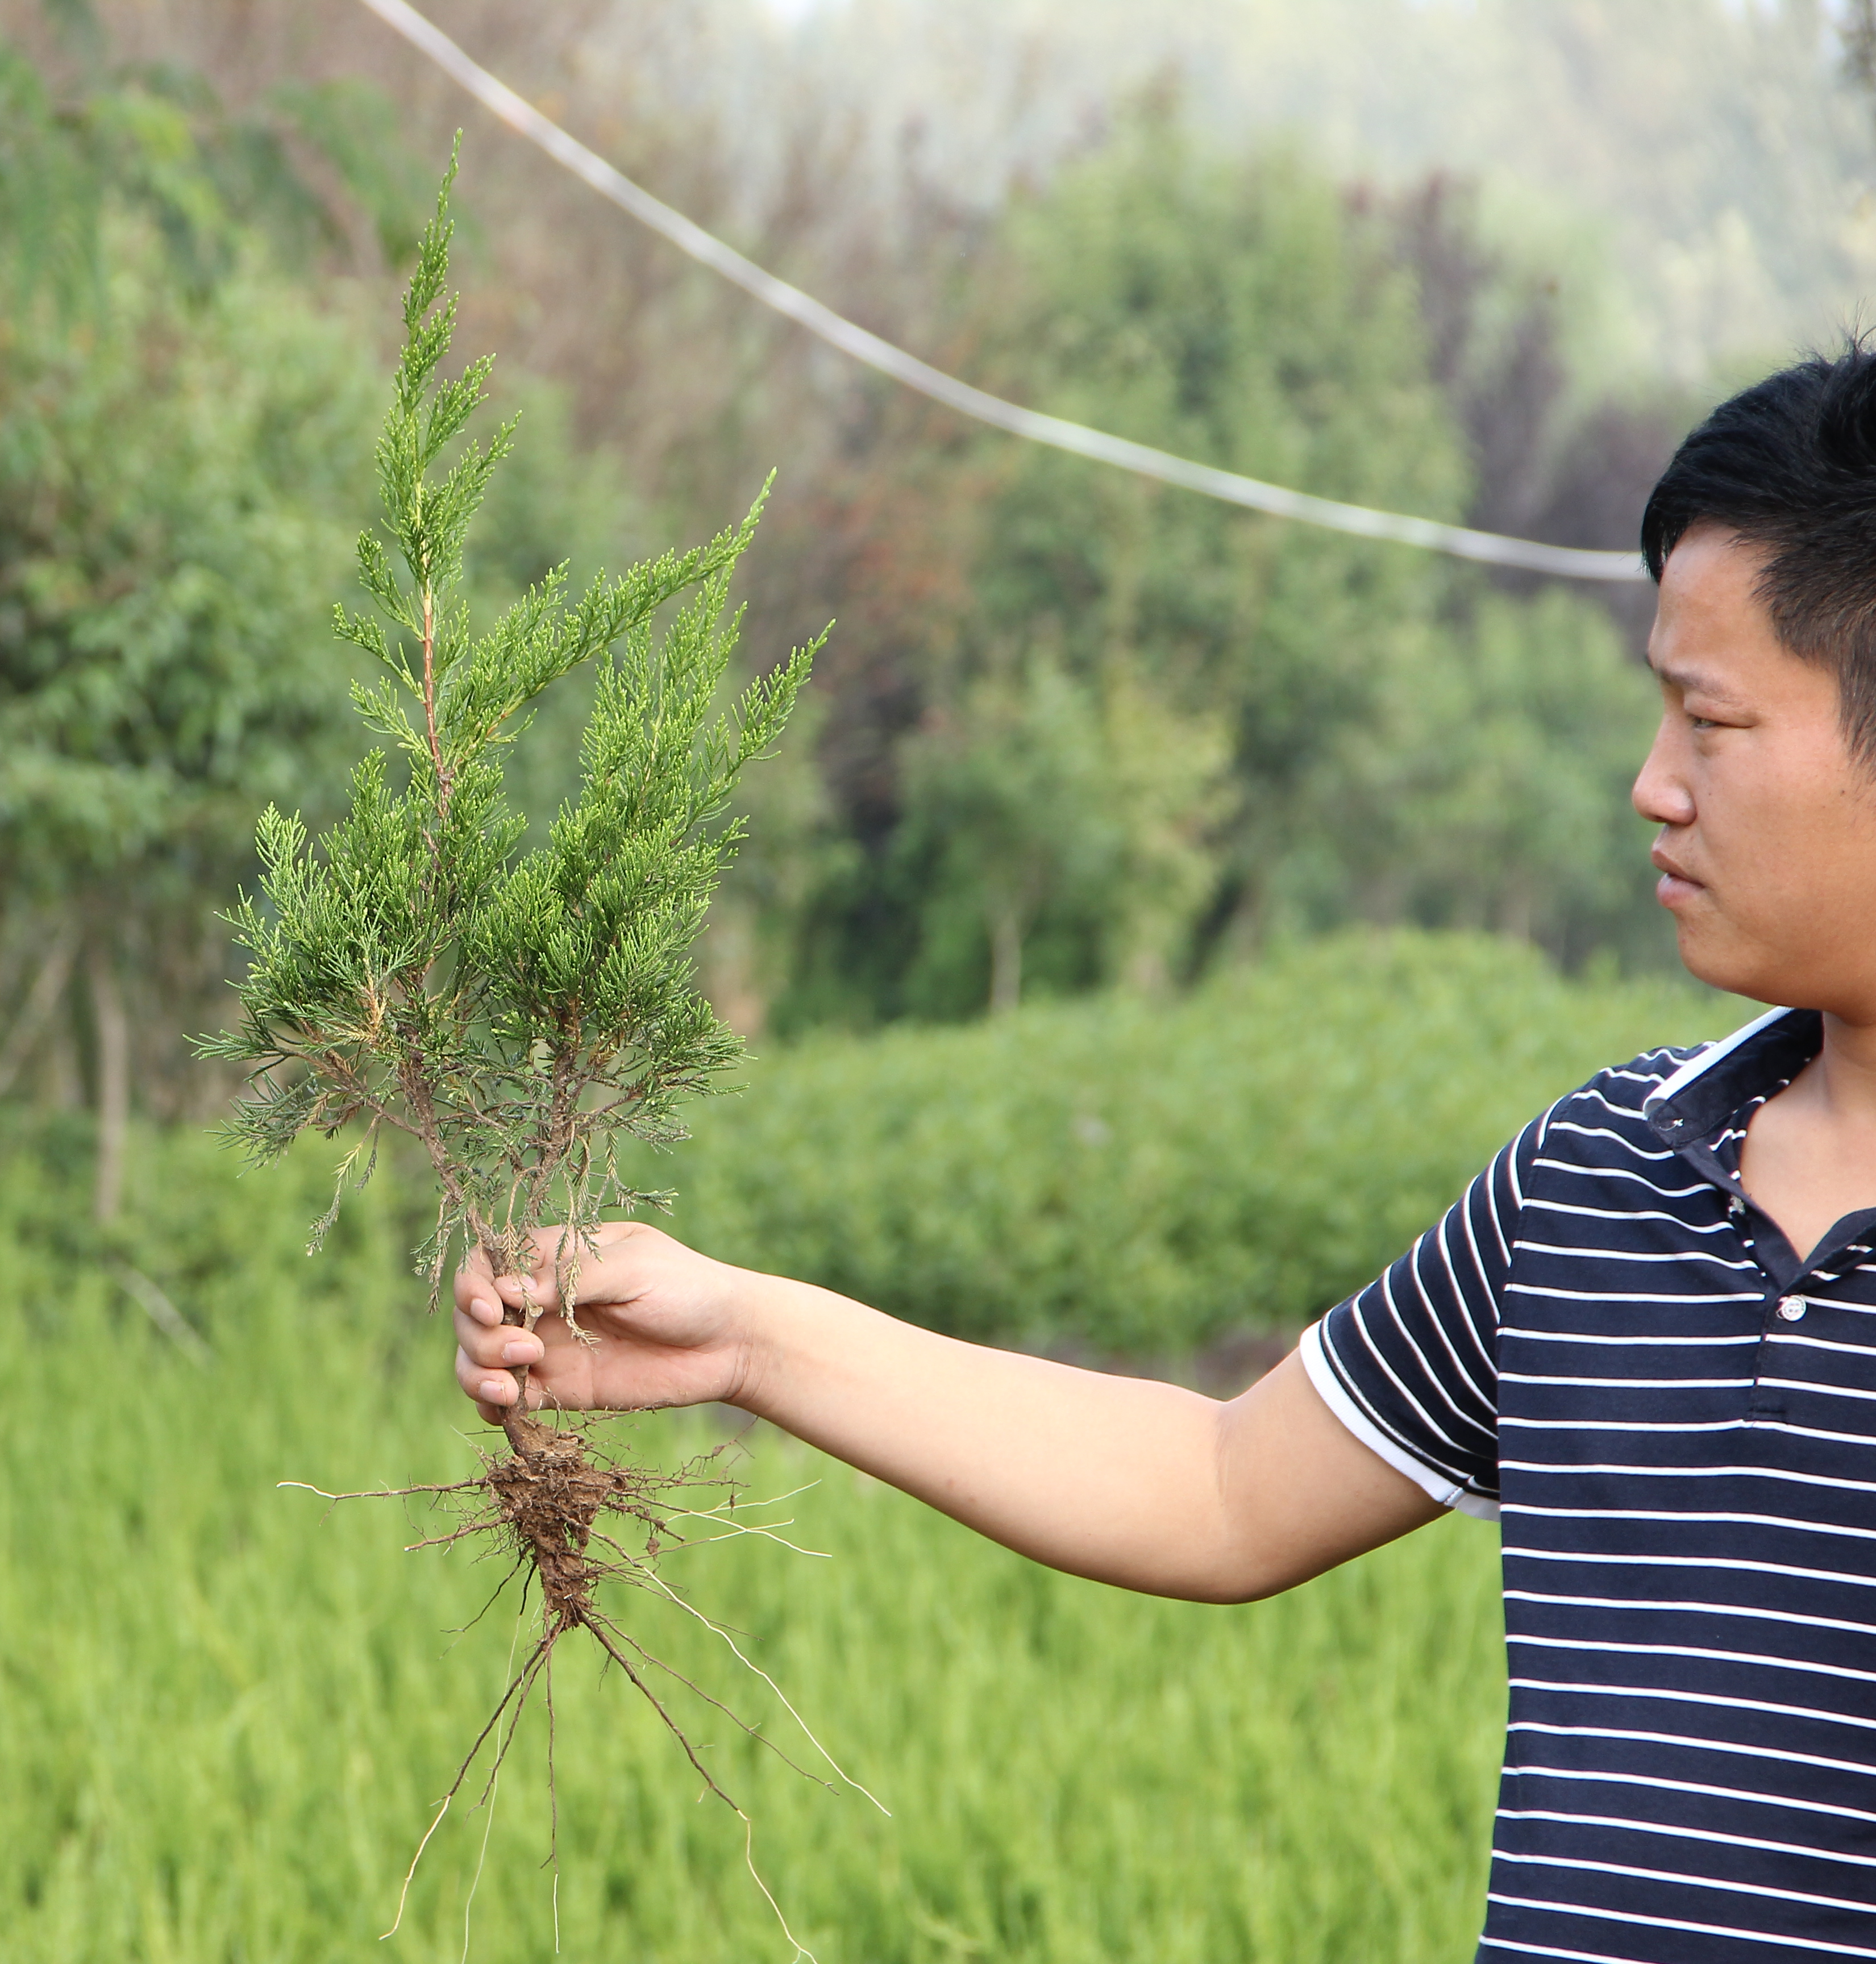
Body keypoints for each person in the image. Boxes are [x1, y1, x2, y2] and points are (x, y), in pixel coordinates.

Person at [454, 348, 1876, 1963]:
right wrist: (747, 1336)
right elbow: (1218, 1488)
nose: (1653, 784)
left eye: (1711, 718)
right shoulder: (1599, 1180)